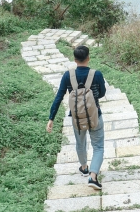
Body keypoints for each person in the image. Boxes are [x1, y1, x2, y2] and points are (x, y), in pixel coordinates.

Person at [47, 45, 106, 190]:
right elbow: (102, 93)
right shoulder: (96, 74)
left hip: (76, 118)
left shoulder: (68, 76)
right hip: (95, 116)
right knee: (98, 146)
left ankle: (84, 168)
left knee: (80, 144)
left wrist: (51, 118)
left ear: (74, 59)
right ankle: (93, 177)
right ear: (88, 58)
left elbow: (59, 96)